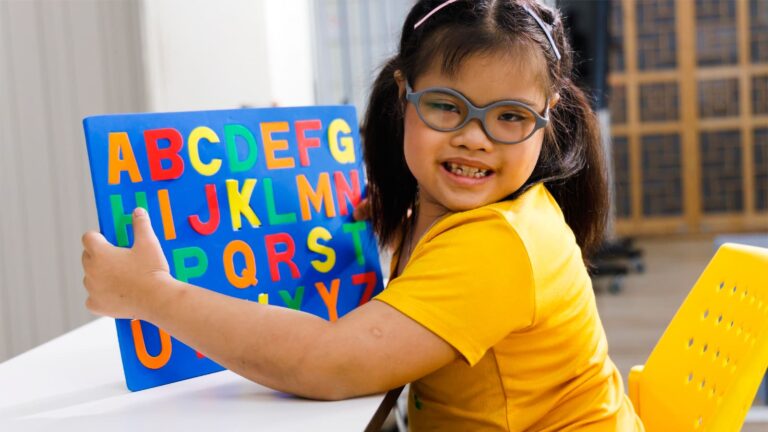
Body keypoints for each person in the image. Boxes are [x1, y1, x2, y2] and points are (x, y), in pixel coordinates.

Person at [82, 0, 644, 430]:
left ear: (549, 119)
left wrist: (154, 296)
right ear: (405, 94)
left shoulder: (500, 245)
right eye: (447, 106)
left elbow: (327, 365)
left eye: (511, 116)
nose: (475, 138)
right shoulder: (444, 207)